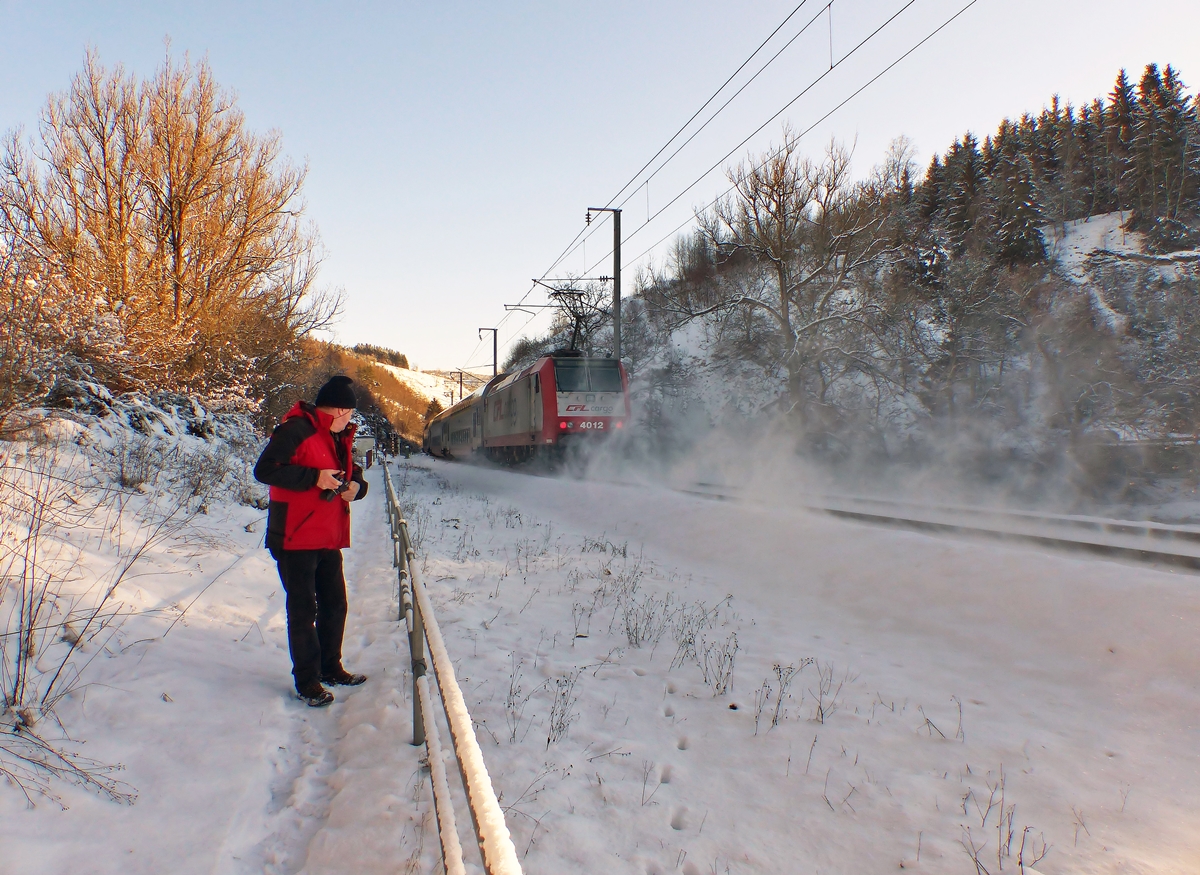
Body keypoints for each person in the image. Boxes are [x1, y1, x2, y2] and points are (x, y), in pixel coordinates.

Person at [254, 375, 370, 707]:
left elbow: (351, 471)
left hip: (327, 535)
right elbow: (265, 470)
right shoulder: (296, 430)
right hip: (294, 537)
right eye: (348, 413)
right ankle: (307, 682)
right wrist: (314, 478)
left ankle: (330, 668)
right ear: (335, 409)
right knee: (304, 610)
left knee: (336, 605)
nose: (350, 420)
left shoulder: (338, 435)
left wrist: (357, 488)